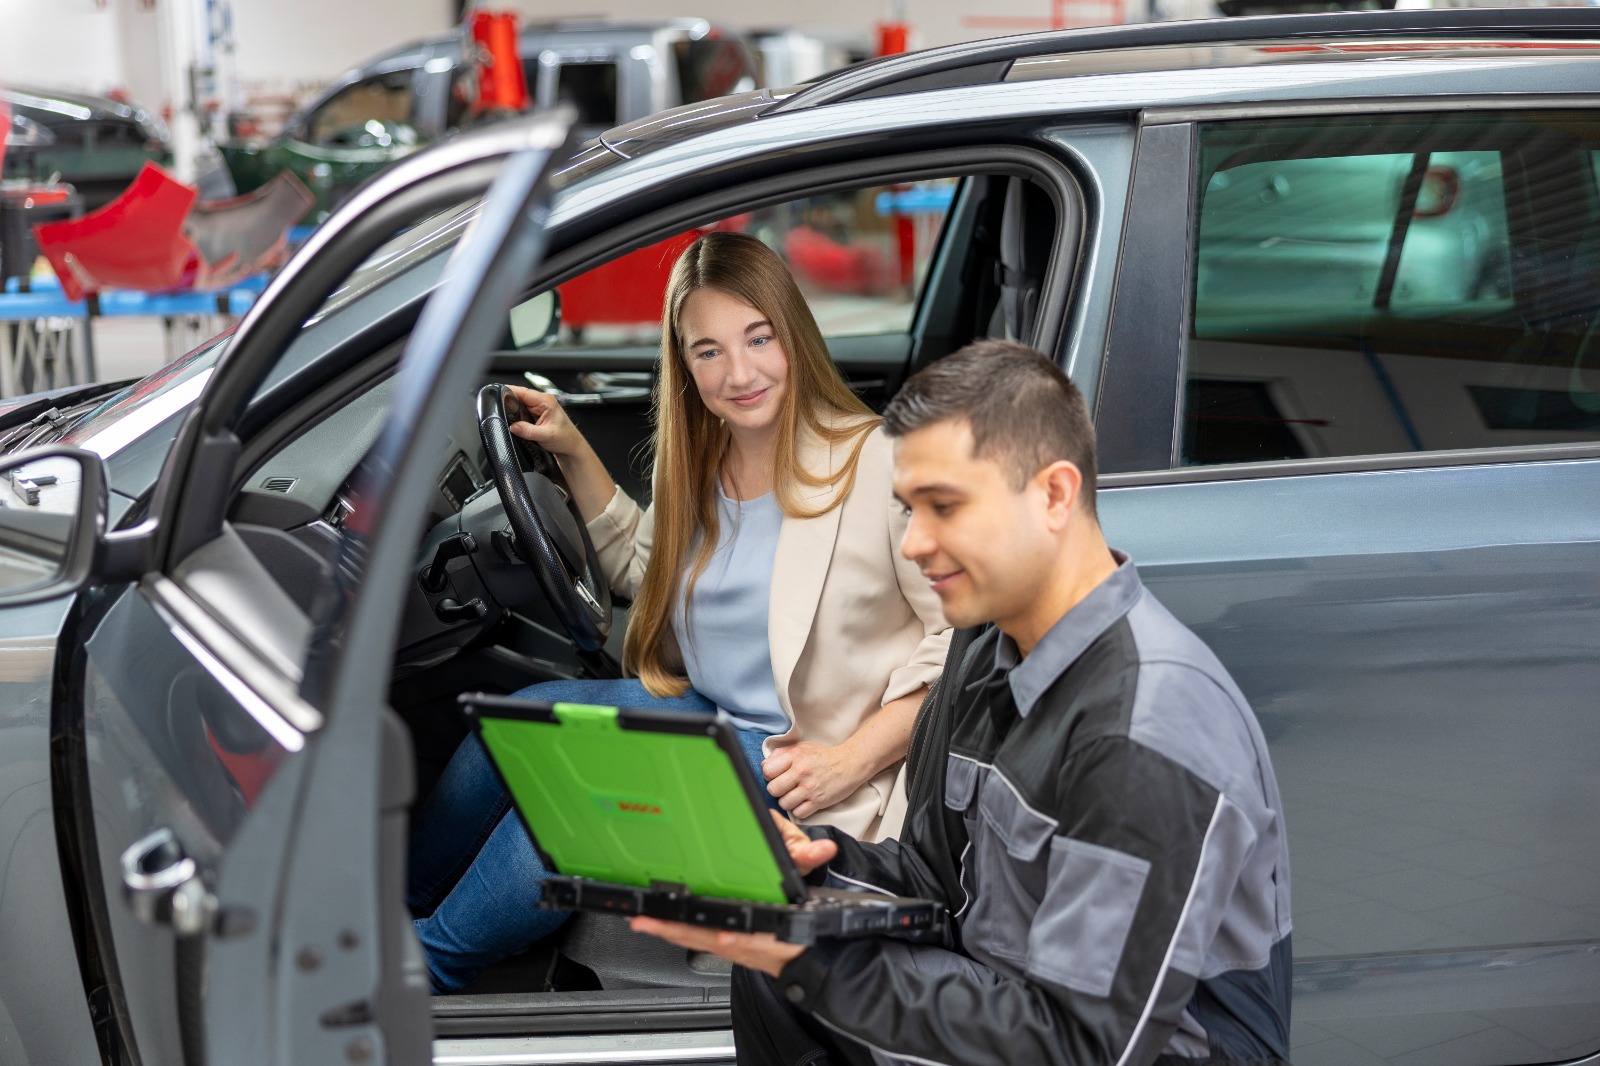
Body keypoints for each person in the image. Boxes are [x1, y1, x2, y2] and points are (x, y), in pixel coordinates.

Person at [632, 340, 1294, 1066]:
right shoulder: (984, 651)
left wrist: (808, 960)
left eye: (944, 507)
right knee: (778, 975)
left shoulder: (1146, 725)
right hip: (1011, 996)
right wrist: (803, 874)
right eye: (908, 509)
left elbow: (1081, 1046)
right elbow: (937, 883)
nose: (914, 544)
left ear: (1054, 493)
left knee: (801, 968)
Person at [407, 231, 950, 993]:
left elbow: (958, 644)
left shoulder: (878, 462)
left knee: (572, 805)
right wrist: (569, 447)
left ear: (792, 332)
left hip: (803, 757)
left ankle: (427, 968)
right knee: (520, 721)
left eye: (758, 338)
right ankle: (399, 907)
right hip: (716, 716)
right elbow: (647, 567)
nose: (740, 373)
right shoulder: (705, 461)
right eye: (709, 352)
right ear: (685, 366)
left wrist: (848, 761)